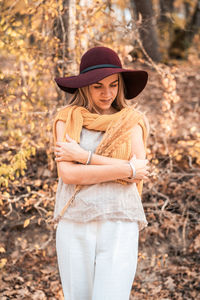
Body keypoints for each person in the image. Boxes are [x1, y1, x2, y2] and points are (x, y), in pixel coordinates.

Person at [53, 46, 149, 300]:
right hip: (75, 219)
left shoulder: (131, 120)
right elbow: (70, 175)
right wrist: (124, 169)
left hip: (120, 220)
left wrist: (85, 158)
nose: (107, 93)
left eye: (113, 85)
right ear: (85, 86)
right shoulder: (67, 118)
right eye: (98, 86)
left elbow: (139, 173)